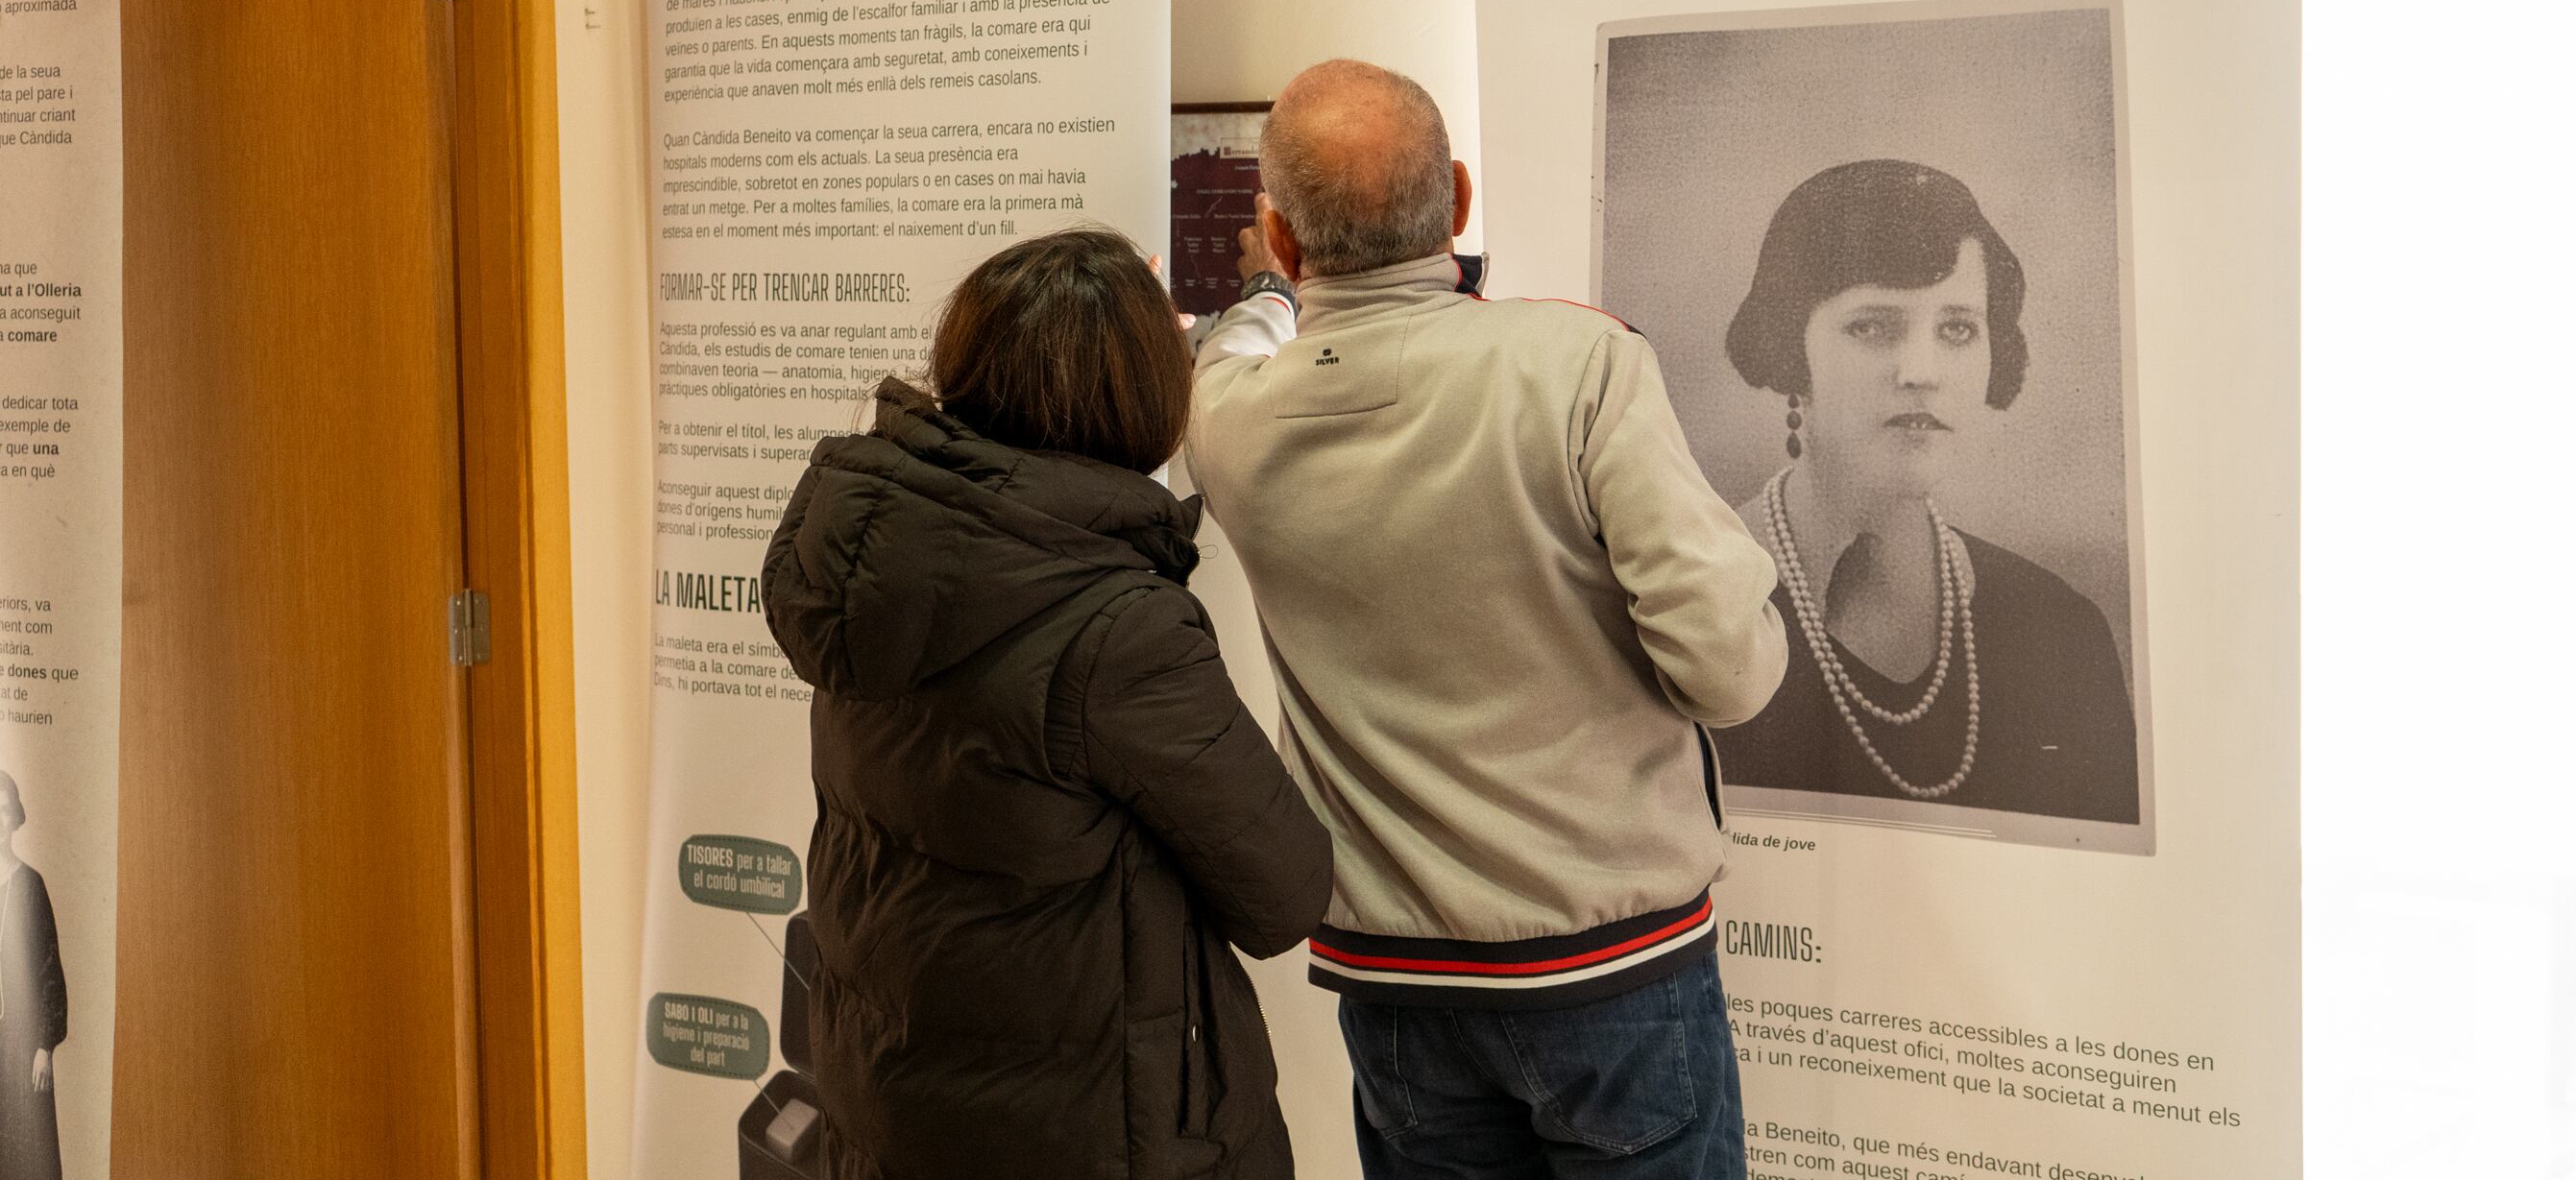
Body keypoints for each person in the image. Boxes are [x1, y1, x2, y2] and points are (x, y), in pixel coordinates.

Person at [1188, 59, 1787, 1180]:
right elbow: (1731, 674)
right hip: (1613, 970)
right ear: (1458, 200)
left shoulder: (1228, 422)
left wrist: (1274, 298)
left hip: (1397, 985)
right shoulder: (1577, 365)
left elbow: (1235, 343)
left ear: (1277, 233)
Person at [761, 228, 1333, 1180]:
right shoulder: (1117, 631)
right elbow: (1284, 888)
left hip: (896, 1110)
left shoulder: (875, 560)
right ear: (1149, 392)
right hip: (1097, 1134)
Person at [1717, 159, 2138, 825]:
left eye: (1957, 329)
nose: (1922, 372)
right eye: (1872, 326)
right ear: (1791, 350)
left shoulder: (2061, 630)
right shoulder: (1695, 599)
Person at [0, 772, 63, 1180]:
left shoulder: (30, 885)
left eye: (3, 809)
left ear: (15, 818)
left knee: (21, 1150)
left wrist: (44, 1046)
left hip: (17, 1040)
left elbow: (48, 968)